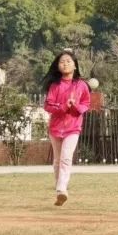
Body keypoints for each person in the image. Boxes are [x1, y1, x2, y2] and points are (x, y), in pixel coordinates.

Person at [42, 49, 91, 206]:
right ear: (58, 66)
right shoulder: (55, 85)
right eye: (62, 62)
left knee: (66, 158)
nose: (65, 64)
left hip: (73, 128)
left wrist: (75, 106)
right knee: (57, 161)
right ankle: (59, 189)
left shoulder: (82, 85)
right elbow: (48, 105)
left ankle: (62, 188)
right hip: (55, 128)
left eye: (68, 61)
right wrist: (63, 106)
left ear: (75, 65)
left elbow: (86, 104)